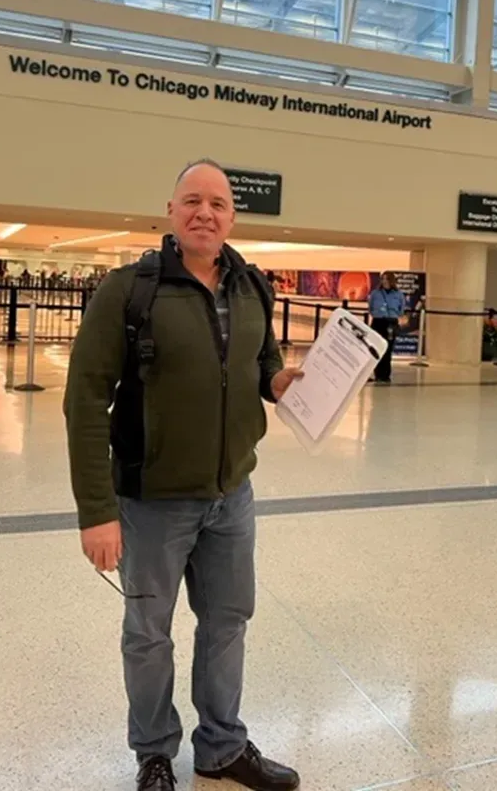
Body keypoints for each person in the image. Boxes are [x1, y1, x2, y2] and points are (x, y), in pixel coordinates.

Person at [64, 159, 303, 791]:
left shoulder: (251, 287)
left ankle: (222, 747)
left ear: (232, 217)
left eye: (218, 203)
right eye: (193, 200)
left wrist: (278, 381)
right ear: (171, 210)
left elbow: (263, 362)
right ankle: (153, 753)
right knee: (149, 634)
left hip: (232, 496)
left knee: (228, 623)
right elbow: (85, 401)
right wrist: (97, 511)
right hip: (151, 502)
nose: (205, 212)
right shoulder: (128, 290)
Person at [368, 272, 407, 383]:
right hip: (378, 322)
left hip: (391, 323)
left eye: (387, 279)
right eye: (383, 279)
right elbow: (370, 308)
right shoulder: (375, 293)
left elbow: (401, 310)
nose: (384, 281)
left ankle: (385, 375)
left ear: (392, 280)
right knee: (377, 348)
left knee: (388, 348)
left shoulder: (398, 294)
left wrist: (393, 315)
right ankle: (378, 374)